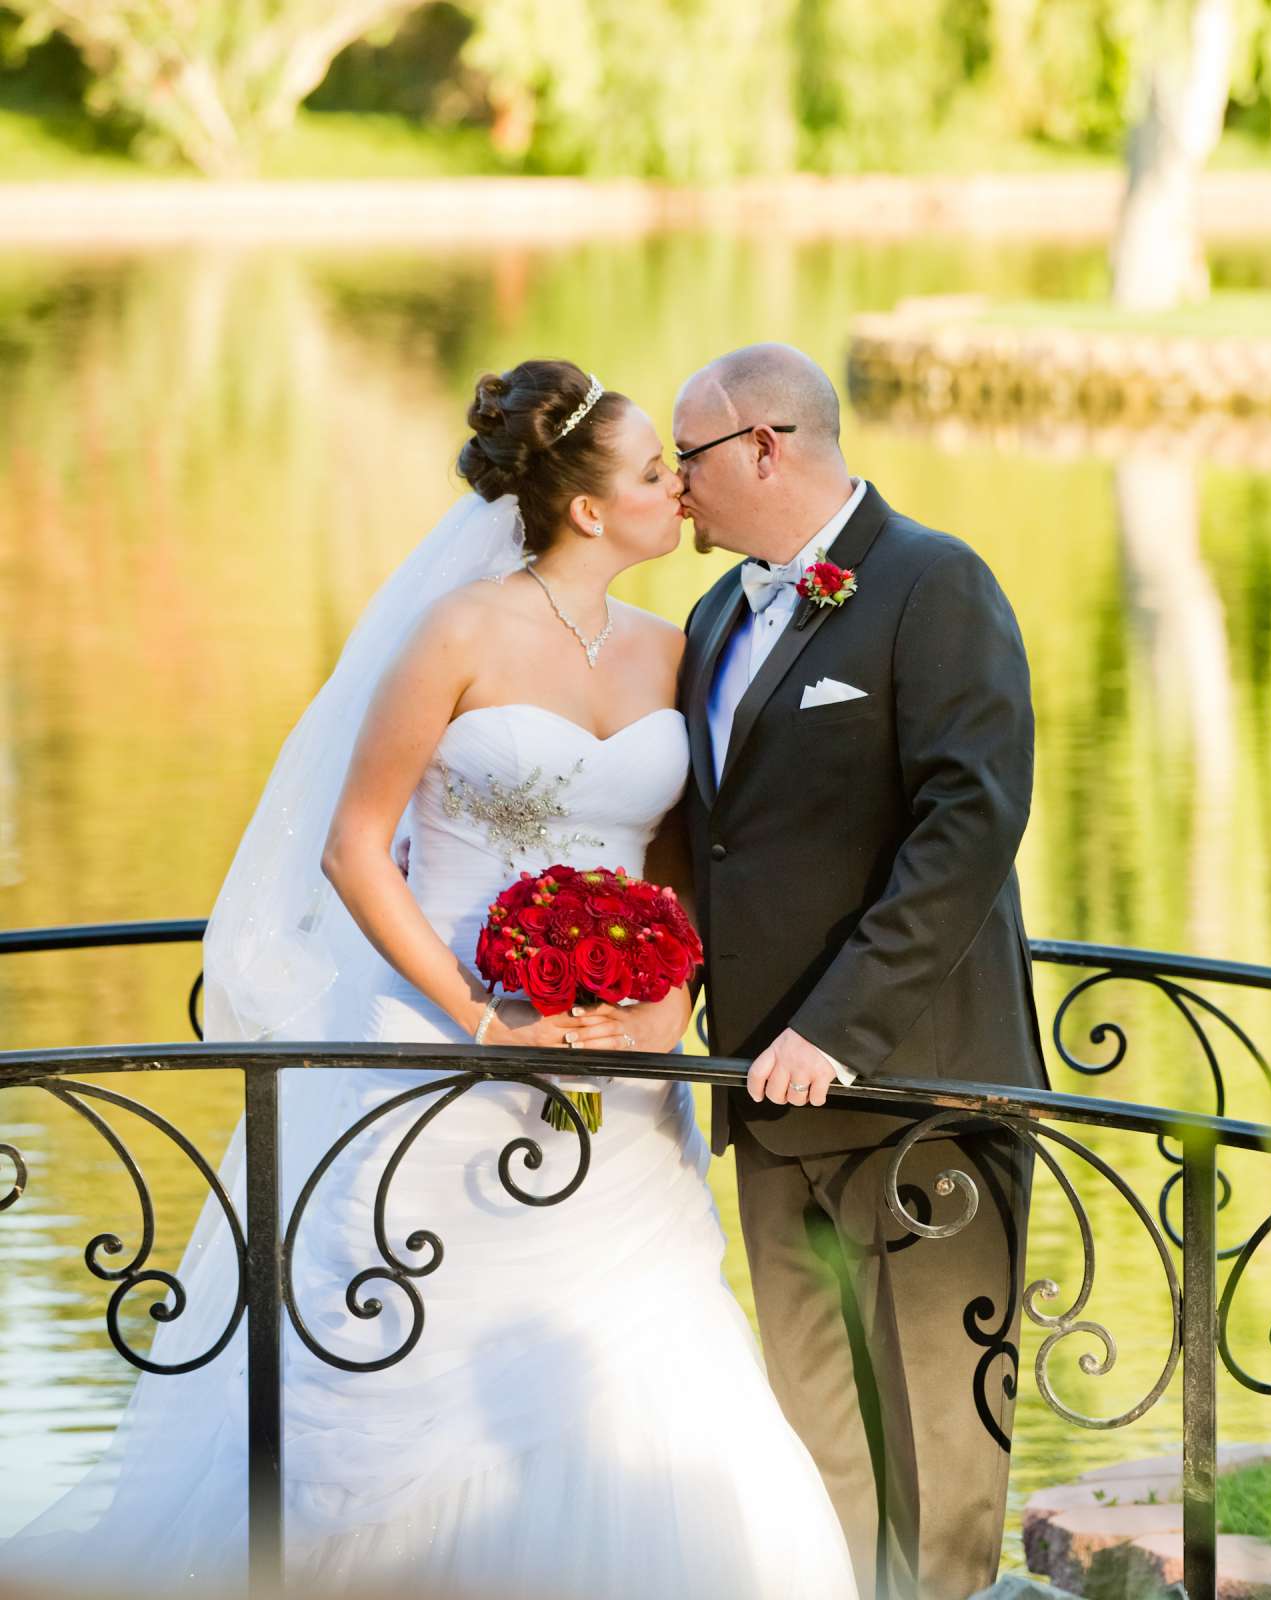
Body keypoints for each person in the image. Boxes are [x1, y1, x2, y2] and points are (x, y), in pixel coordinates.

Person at [3, 359, 857, 1600]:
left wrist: (668, 997)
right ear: (582, 508)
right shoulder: (456, 633)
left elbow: (680, 862)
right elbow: (357, 846)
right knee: (404, 1365)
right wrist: (475, 1013)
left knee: (645, 1346)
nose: (678, 488)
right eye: (651, 472)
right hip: (442, 1045)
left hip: (618, 1073)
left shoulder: (679, 647)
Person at [671, 342, 1046, 1600]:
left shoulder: (934, 584)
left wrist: (835, 1027)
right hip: (767, 1107)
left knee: (940, 1463)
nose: (677, 488)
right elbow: (714, 842)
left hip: (918, 1095)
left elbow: (970, 823)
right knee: (813, 1449)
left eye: (692, 458)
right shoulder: (715, 615)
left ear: (767, 443)